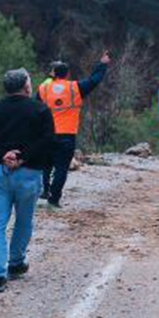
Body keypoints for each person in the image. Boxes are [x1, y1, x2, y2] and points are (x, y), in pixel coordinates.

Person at [0, 68, 56, 291]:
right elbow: (48, 140)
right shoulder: (40, 110)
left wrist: (3, 154)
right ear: (27, 86)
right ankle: (16, 262)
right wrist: (23, 157)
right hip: (28, 172)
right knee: (24, 219)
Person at [36, 50, 111, 207]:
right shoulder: (74, 88)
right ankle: (54, 199)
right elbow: (94, 80)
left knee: (46, 165)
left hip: (47, 134)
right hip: (67, 135)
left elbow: (35, 107)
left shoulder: (44, 89)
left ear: (53, 73)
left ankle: (44, 191)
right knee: (61, 168)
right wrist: (102, 65)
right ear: (67, 74)